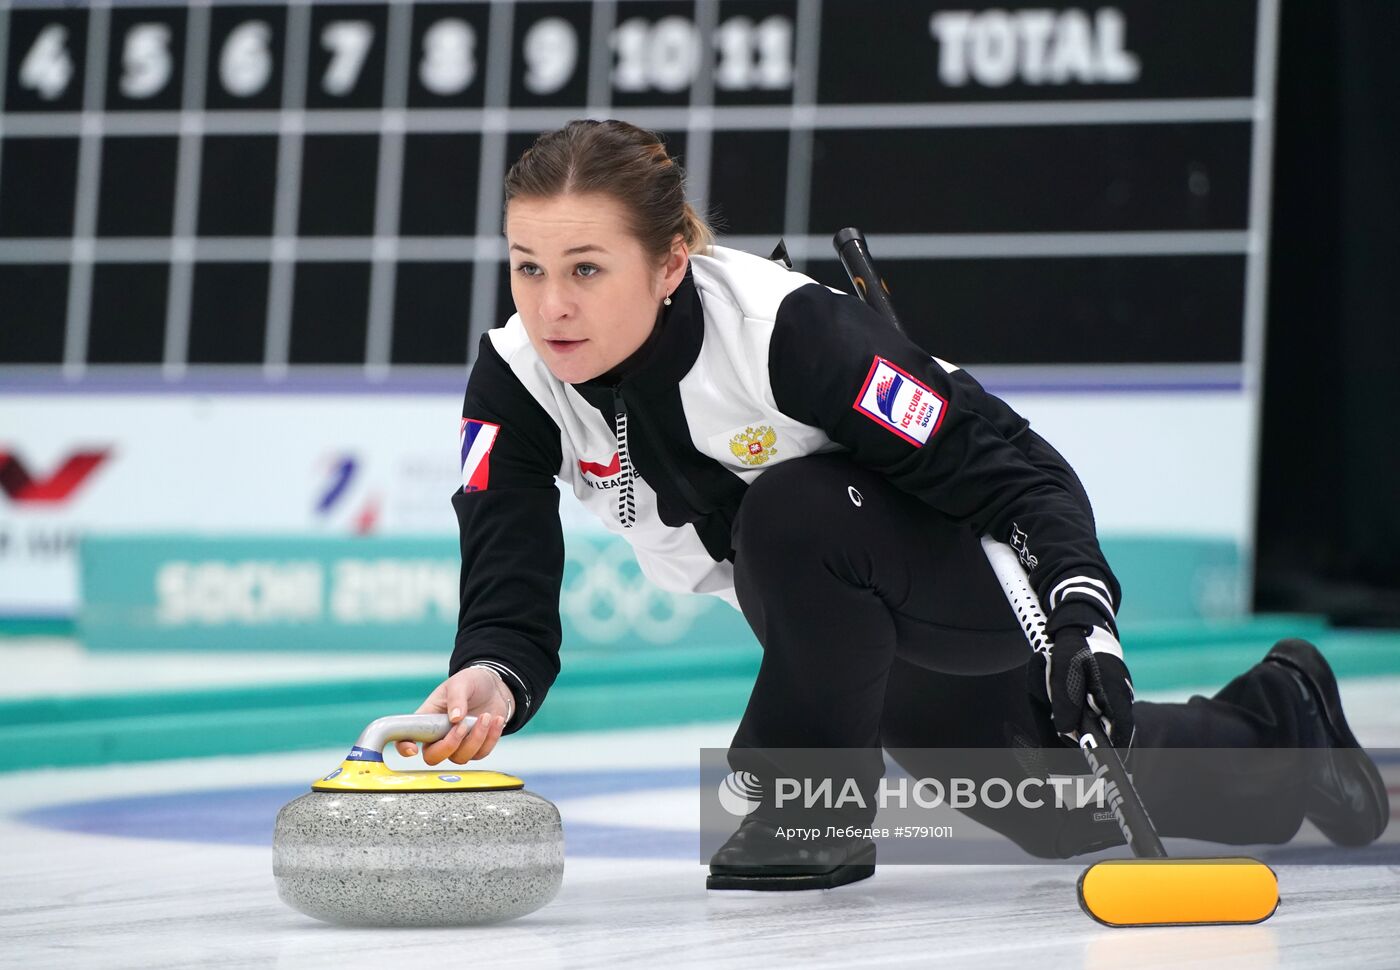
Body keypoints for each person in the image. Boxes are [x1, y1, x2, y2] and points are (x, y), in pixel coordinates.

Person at [401, 119, 1389, 890]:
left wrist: (1085, 624)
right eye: (527, 266)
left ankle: (808, 805)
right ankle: (1277, 723)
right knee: (1047, 805)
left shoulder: (786, 334)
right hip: (841, 621)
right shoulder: (518, 376)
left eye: (584, 268)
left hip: (970, 577)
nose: (550, 304)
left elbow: (1018, 473)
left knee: (784, 511)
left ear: (666, 266)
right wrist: (490, 672)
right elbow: (507, 562)